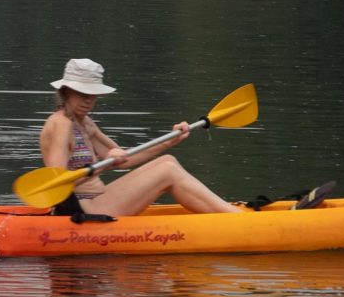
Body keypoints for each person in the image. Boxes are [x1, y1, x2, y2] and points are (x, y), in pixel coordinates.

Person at [38, 58, 237, 218]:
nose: (88, 100)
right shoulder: (61, 124)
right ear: (66, 91)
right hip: (80, 211)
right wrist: (106, 165)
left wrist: (170, 141)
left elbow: (126, 159)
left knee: (168, 161)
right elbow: (57, 184)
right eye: (82, 93)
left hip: (98, 201)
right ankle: (238, 221)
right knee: (167, 170)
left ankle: (233, 217)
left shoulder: (85, 122)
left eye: (92, 94)